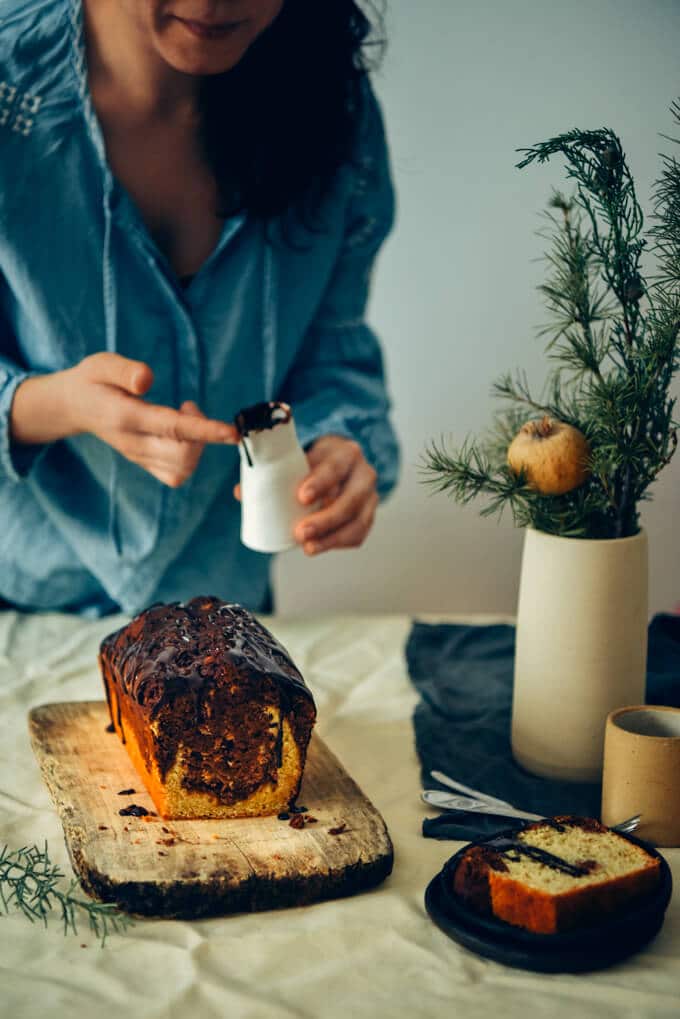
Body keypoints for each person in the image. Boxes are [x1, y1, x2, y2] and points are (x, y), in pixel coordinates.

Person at [0, 0, 399, 616]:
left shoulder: (334, 108)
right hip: (19, 613)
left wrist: (339, 445)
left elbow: (330, 350)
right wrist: (57, 405)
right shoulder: (9, 92)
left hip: (223, 619)